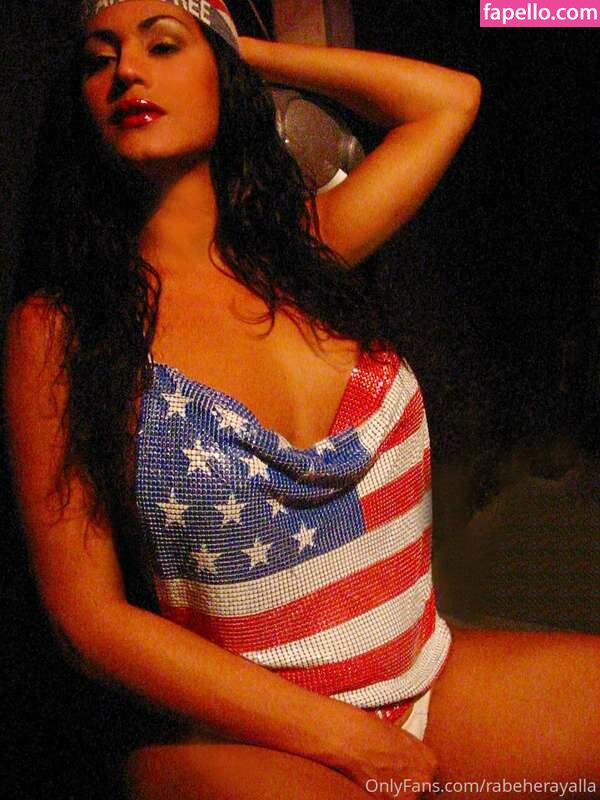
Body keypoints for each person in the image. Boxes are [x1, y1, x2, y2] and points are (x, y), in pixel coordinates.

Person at [4, 1, 599, 798]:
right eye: (98, 59)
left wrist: (244, 50)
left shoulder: (306, 250)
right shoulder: (64, 328)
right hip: (261, 742)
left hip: (426, 684)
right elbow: (89, 621)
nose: (128, 72)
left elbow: (449, 99)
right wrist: (345, 739)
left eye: (164, 45)